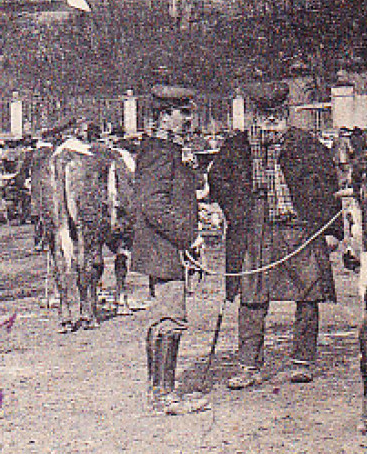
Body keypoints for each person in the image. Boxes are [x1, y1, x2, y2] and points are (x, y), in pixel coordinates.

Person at [207, 80, 342, 387]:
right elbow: (217, 179)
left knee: (309, 294)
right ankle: (248, 366)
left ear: (285, 113)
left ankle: (302, 361)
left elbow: (329, 187)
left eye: (277, 113)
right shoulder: (237, 146)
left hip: (299, 227)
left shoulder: (306, 144)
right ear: (255, 114)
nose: (271, 120)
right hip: (256, 229)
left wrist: (333, 230)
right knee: (251, 297)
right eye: (265, 114)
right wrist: (231, 209)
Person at [131, 84, 210, 415]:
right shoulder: (159, 153)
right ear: (164, 117)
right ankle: (164, 395)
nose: (189, 119)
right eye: (183, 113)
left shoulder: (167, 150)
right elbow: (152, 205)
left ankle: (160, 391)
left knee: (166, 317)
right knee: (170, 318)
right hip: (165, 248)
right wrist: (188, 237)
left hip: (166, 246)